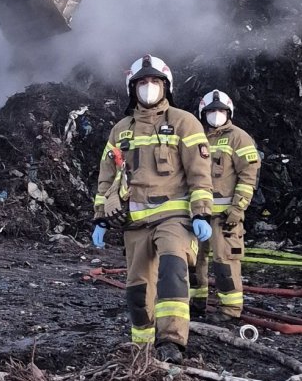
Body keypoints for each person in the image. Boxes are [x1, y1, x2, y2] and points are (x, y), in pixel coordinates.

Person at [92, 55, 214, 363]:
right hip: (134, 222)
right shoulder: (121, 130)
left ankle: (171, 342)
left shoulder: (184, 122)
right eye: (142, 82)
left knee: (173, 270)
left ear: (166, 86)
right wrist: (100, 218)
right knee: (137, 289)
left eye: (155, 82)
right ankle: (142, 349)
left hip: (174, 216)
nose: (149, 87)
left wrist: (201, 212)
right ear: (132, 89)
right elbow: (107, 176)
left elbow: (200, 173)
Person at [189, 90, 260, 322]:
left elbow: (249, 176)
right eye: (211, 111)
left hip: (225, 217)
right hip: (198, 215)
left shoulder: (239, 138)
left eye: (221, 110)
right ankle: (195, 303)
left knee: (225, 263)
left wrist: (238, 208)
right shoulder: (195, 137)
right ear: (203, 113)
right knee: (193, 262)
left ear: (229, 113)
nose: (216, 114)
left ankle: (229, 310)